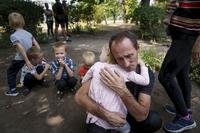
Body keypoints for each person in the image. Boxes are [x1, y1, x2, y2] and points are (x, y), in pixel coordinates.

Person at [75, 31, 162, 133]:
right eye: (119, 59)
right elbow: (79, 97)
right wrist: (106, 115)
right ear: (113, 56)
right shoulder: (105, 68)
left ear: (138, 49)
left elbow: (141, 115)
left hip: (130, 115)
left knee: (153, 120)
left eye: (129, 56)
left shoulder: (145, 73)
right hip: (105, 113)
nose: (126, 64)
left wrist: (121, 89)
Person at [158, 0, 200, 132]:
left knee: (165, 76)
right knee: (182, 74)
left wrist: (198, 43)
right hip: (181, 34)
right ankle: (184, 107)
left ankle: (185, 117)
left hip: (189, 36)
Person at [5, 12, 40, 96]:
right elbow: (37, 45)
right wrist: (37, 55)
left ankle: (13, 90)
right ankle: (38, 81)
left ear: (11, 23)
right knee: (32, 69)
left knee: (11, 72)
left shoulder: (13, 36)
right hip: (31, 56)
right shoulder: (28, 33)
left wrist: (26, 60)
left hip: (21, 58)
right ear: (22, 21)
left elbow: (20, 48)